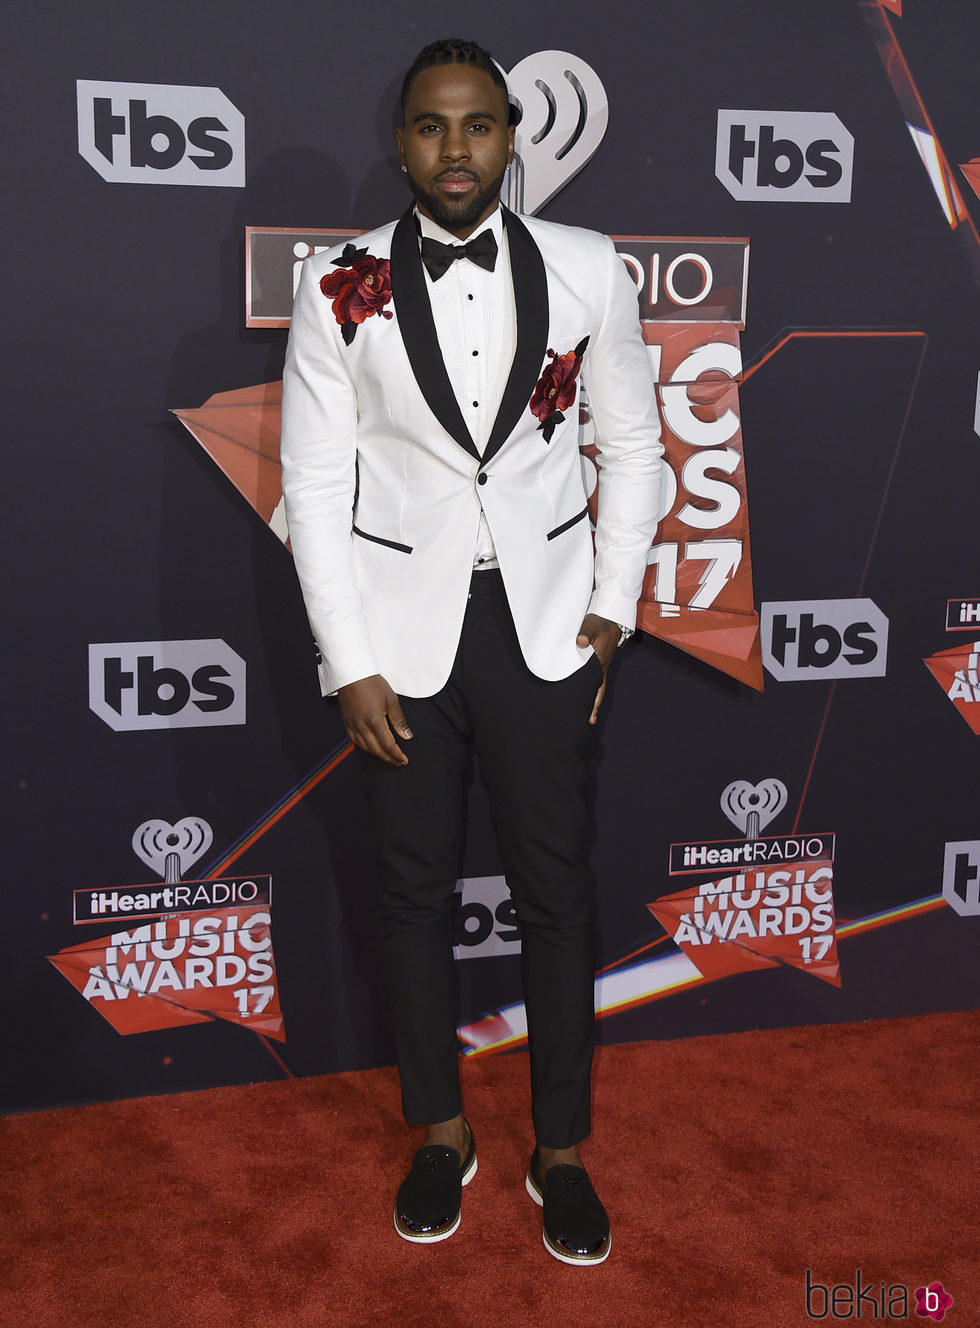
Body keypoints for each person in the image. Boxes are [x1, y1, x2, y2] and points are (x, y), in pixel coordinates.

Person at [280, 37, 663, 1266]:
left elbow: (634, 447)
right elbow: (314, 475)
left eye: (479, 125)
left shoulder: (590, 268)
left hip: (546, 625)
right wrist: (348, 662)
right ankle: (439, 1131)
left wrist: (612, 604)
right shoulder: (338, 279)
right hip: (398, 635)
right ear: (400, 144)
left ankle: (560, 1150)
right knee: (409, 895)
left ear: (512, 135)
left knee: (555, 894)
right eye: (431, 127)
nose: (456, 148)